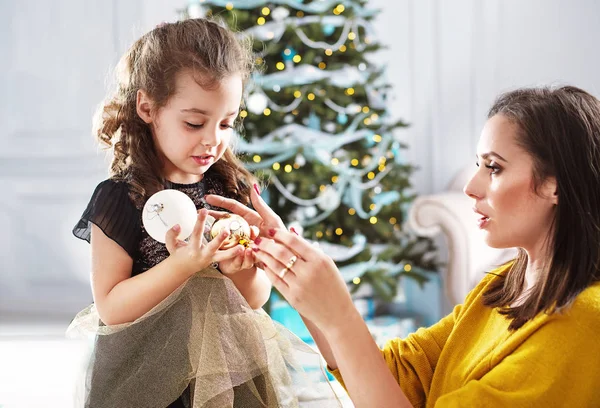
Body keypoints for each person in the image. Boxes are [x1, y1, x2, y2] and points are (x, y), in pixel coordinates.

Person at [207, 85, 600, 407]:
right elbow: (398, 378)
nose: (470, 186)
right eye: (478, 164)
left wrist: (341, 316)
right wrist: (296, 269)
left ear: (556, 184)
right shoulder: (502, 286)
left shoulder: (585, 324)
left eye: (494, 167)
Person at [69, 18, 323, 408]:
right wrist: (182, 265)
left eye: (226, 122)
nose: (212, 139)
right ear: (147, 107)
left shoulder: (229, 191)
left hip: (228, 372)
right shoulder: (122, 198)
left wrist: (243, 268)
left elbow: (253, 301)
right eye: (194, 122)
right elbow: (112, 307)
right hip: (144, 376)